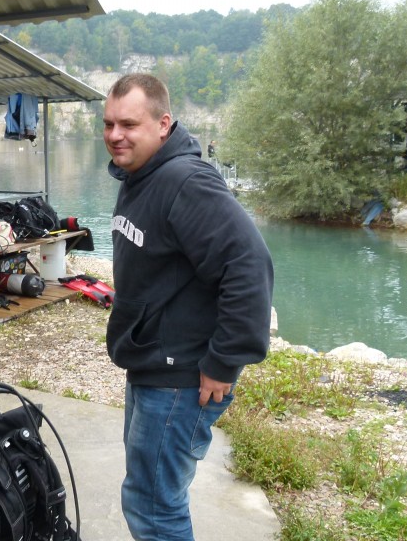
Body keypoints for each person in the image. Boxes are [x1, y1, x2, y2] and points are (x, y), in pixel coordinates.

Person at [103, 73, 274, 541]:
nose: (115, 135)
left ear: (163, 124)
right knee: (148, 492)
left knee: (154, 507)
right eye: (109, 124)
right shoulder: (141, 174)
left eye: (129, 125)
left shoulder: (185, 181)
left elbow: (249, 266)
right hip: (151, 363)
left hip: (181, 377)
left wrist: (223, 362)